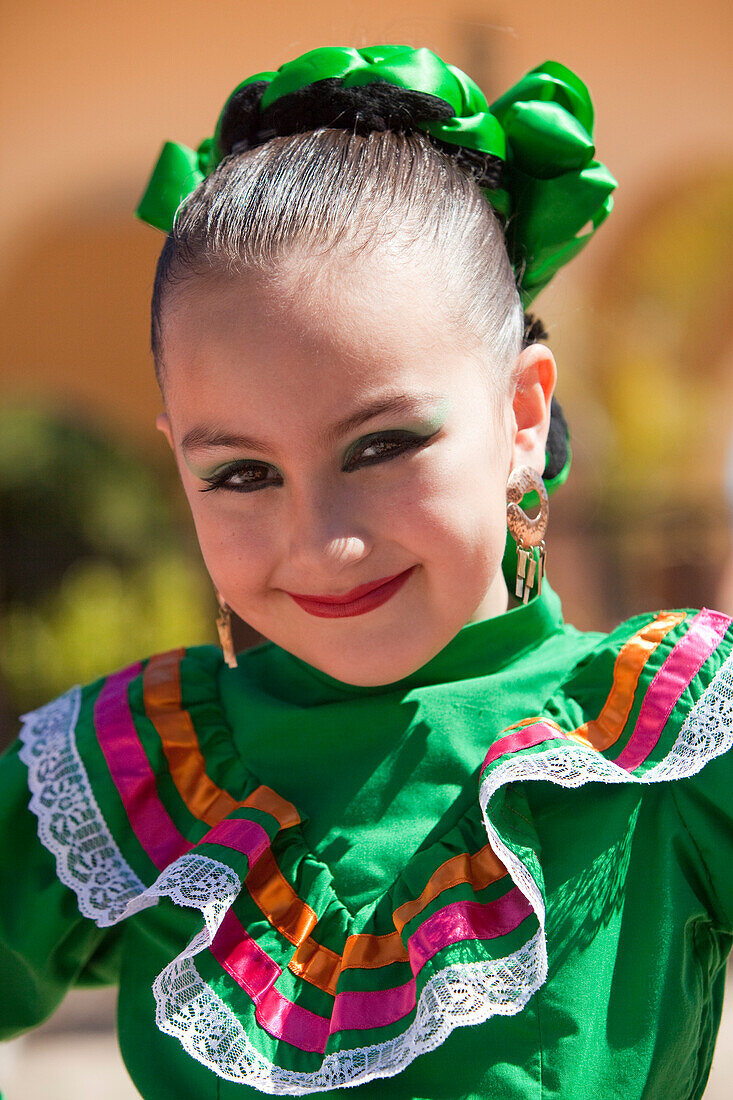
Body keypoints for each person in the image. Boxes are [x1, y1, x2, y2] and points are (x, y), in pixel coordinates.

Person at [1, 43, 731, 1100]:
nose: (323, 540)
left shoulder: (665, 743)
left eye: (381, 446)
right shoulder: (126, 775)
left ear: (521, 415)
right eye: (242, 472)